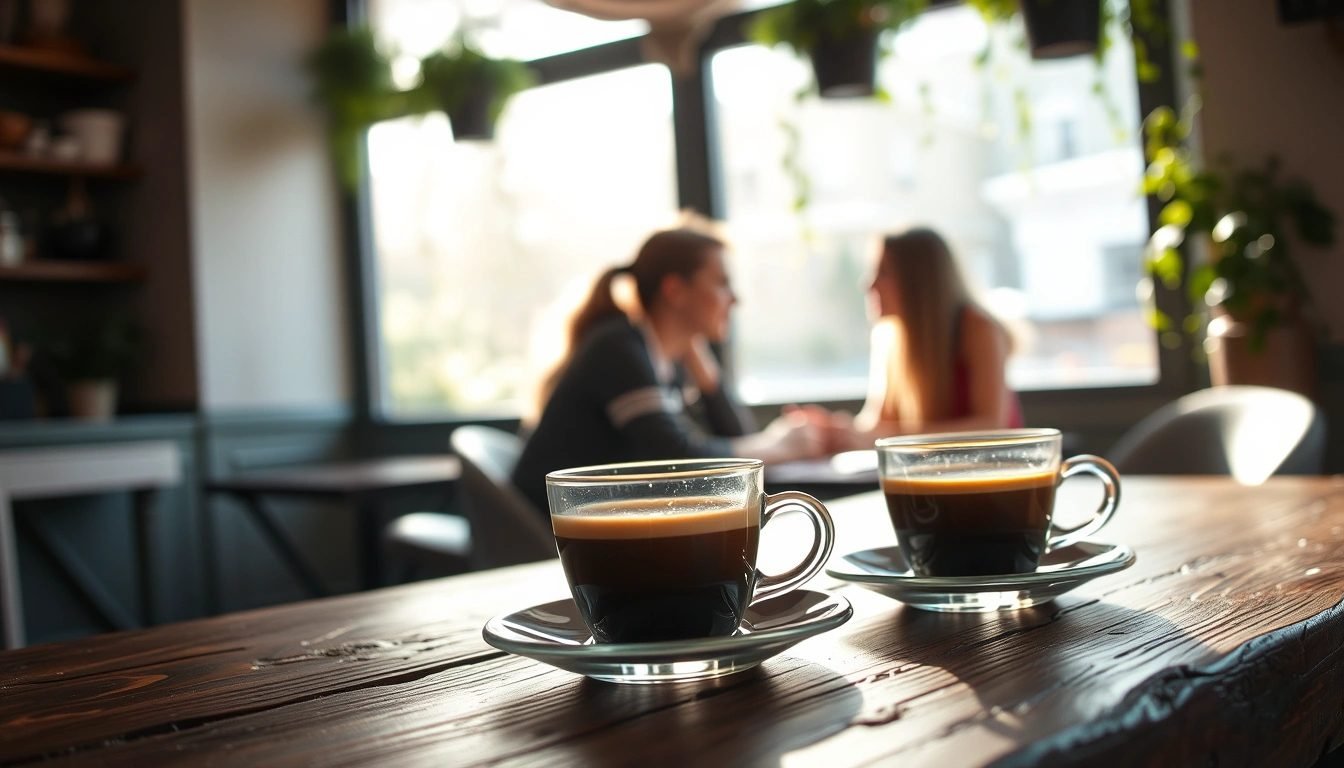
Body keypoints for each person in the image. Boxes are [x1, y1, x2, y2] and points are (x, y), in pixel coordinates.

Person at [512, 225, 828, 514]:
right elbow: (676, 460)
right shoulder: (618, 348)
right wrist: (778, 444)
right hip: (553, 528)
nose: (735, 299)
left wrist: (702, 368)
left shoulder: (663, 361)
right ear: (675, 290)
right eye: (722, 283)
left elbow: (736, 438)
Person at [841, 227, 1023, 446]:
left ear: (919, 280)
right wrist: (831, 430)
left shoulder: (978, 329)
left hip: (992, 472)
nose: (869, 284)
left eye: (884, 272)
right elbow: (876, 424)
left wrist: (887, 437)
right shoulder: (889, 337)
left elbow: (991, 426)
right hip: (931, 472)